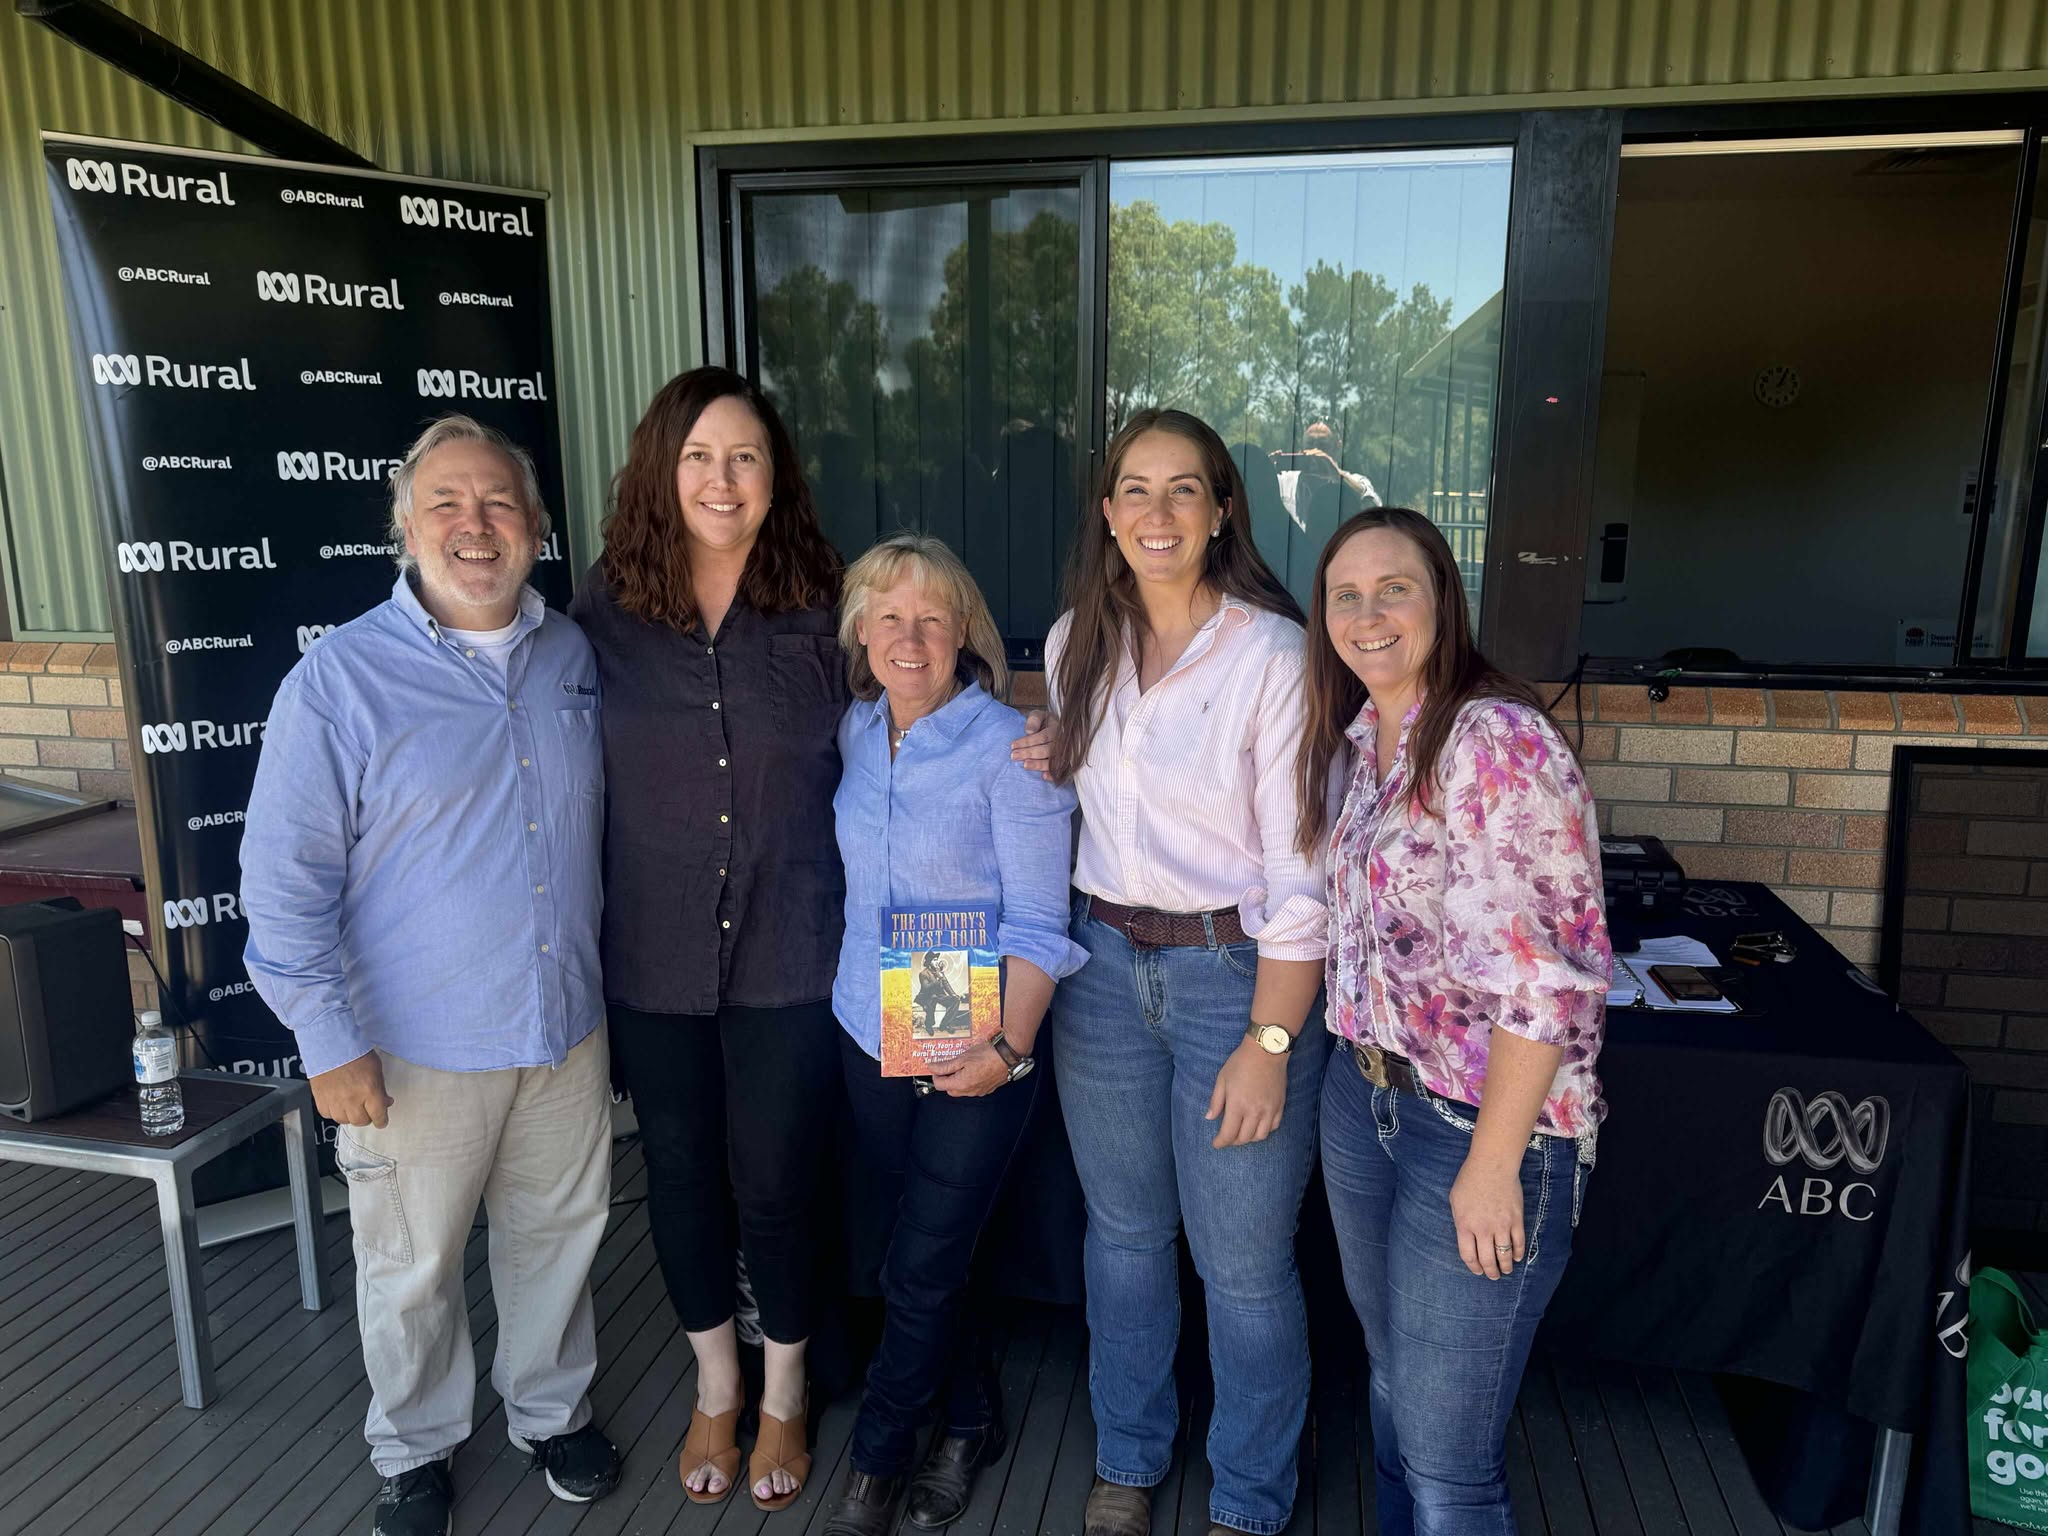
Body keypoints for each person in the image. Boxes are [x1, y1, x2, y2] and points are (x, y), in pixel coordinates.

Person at [241, 415, 621, 1536]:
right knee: (411, 1266)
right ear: (403, 529)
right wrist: (327, 1043)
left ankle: (550, 1413)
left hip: (562, 1027)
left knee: (557, 1238)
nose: (474, 524)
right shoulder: (338, 682)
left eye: (499, 502)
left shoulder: (572, 657)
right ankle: (413, 1448)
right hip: (411, 1049)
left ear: (537, 527)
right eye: (445, 503)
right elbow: (282, 883)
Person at [1022, 408, 1332, 1536]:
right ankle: (1129, 1455)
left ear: (1221, 510)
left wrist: (1269, 1040)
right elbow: (1090, 791)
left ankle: (1247, 1496)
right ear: (1107, 514)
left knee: (1242, 1263)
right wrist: (1047, 756)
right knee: (1123, 1238)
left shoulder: (1274, 656)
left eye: (1183, 489)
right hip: (1101, 970)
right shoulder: (1076, 641)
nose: (1158, 513)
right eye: (1135, 491)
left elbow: (1302, 876)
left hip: (1231, 979)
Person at [1298, 507, 1609, 1534]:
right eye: (1346, 595)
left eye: (1394, 589)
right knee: (1393, 1380)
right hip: (1365, 1101)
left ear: (1443, 601)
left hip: (1476, 1129)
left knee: (1446, 1460)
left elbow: (1547, 980)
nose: (1368, 614)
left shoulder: (1497, 740)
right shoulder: (1365, 738)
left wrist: (1492, 1162)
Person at [568, 366, 845, 1512]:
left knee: (777, 1179)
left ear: (775, 476)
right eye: (697, 457)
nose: (721, 480)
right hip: (654, 950)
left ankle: (784, 1390)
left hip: (793, 945)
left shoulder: (826, 598)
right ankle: (715, 1385)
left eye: (744, 457)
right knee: (680, 1173)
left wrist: (1012, 738)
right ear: (660, 470)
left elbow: (928, 686)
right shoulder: (603, 609)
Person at [821, 532, 1087, 1535]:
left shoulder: (1012, 749)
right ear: (860, 630)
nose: (910, 636)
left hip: (975, 1025)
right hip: (868, 1020)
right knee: (923, 1245)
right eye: (889, 615)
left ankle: (878, 1456)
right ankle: (971, 1417)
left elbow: (1039, 921)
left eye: (932, 618)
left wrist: (1006, 1049)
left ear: (964, 633)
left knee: (922, 1261)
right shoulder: (854, 730)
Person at [1270, 420, 1380, 527]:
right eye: (1309, 444)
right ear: (1301, 447)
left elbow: (1374, 510)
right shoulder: (1283, 482)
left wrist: (1337, 475)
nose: (1314, 450)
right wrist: (1265, 469)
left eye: (1322, 445)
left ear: (1337, 448)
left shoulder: (1354, 481)